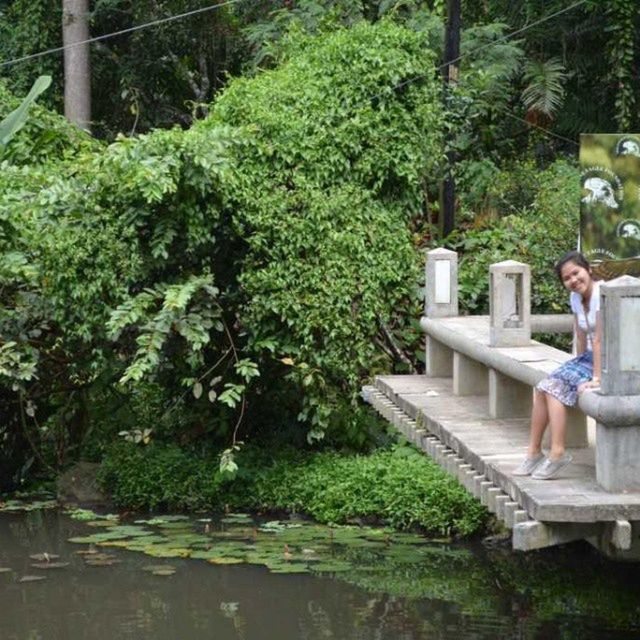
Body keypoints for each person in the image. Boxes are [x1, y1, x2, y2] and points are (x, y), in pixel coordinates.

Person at [513, 251, 601, 480]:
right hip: (590, 358)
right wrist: (575, 368)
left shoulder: (602, 296)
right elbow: (582, 337)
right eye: (567, 278)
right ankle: (533, 452)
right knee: (544, 386)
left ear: (588, 269)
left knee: (554, 390)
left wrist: (595, 379)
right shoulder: (575, 298)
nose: (573, 280)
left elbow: (601, 340)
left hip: (611, 360)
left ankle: (558, 451)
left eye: (576, 273)